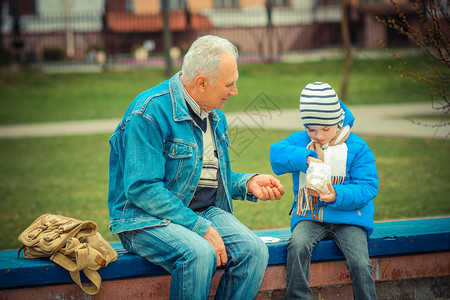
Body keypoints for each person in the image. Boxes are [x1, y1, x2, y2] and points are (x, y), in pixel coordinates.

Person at [107, 35, 285, 300]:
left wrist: (246, 183)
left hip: (202, 212)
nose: (235, 91)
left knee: (255, 251)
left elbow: (203, 177)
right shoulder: (147, 113)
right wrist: (201, 228)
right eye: (230, 84)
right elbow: (142, 189)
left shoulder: (215, 115)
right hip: (144, 220)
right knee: (200, 254)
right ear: (202, 82)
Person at [270, 82, 378, 299]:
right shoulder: (301, 141)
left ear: (338, 122)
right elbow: (276, 154)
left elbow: (367, 186)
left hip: (350, 219)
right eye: (311, 129)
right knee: (297, 247)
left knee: (359, 261)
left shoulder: (357, 147)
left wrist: (337, 195)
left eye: (325, 129)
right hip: (310, 216)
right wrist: (305, 157)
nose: (318, 135)